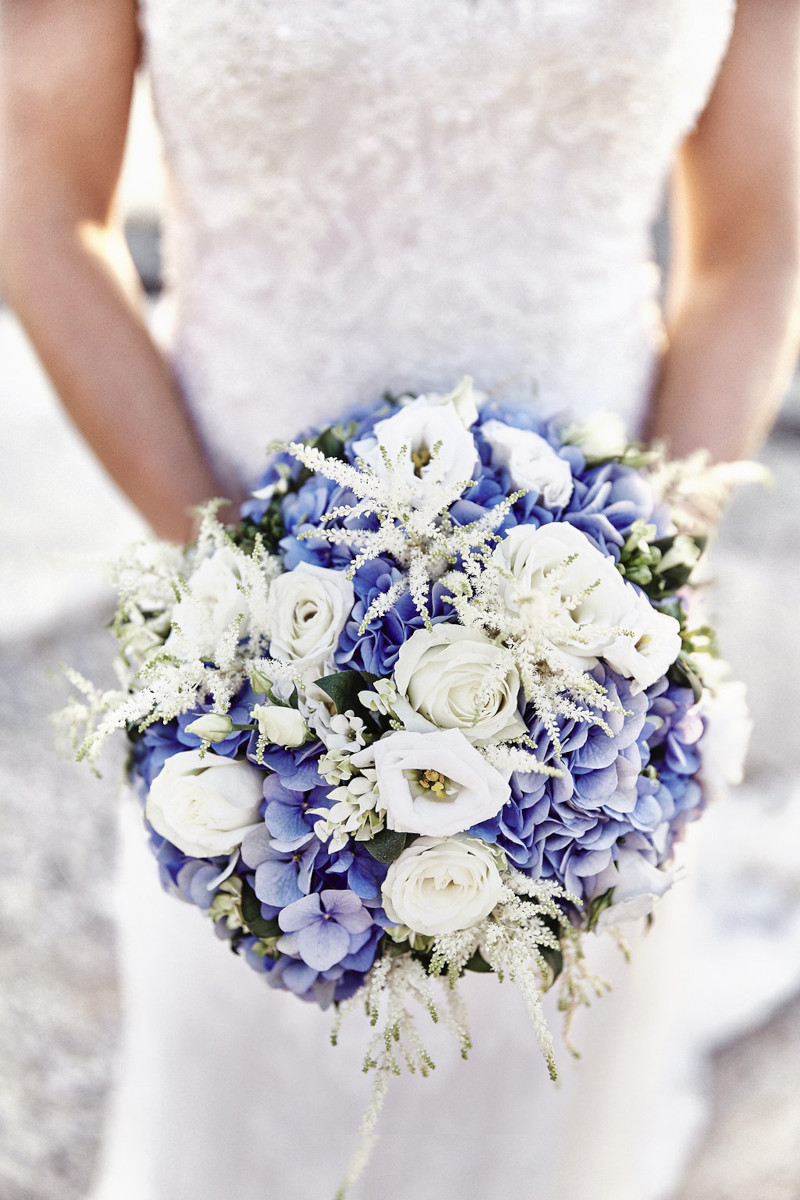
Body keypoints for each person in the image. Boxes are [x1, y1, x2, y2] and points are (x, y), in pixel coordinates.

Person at [1, 2, 799, 1198]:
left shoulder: (611, 627)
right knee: (256, 1023)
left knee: (542, 1063)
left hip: (593, 597)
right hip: (239, 566)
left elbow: (754, 238)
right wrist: (230, 594)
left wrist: (627, 604)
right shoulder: (237, 611)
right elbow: (36, 203)